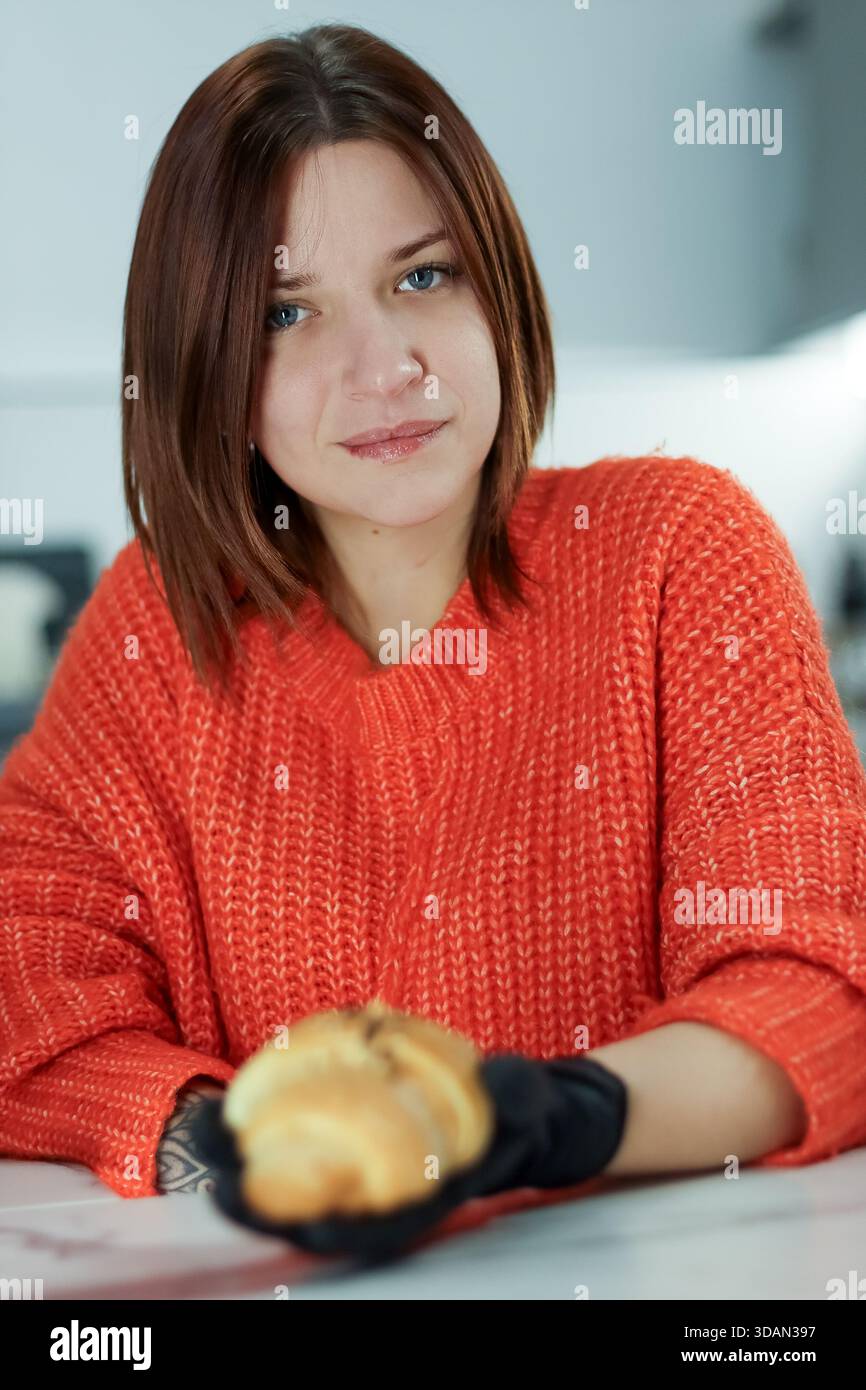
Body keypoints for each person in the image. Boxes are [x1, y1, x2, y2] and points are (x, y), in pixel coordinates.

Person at [2, 24, 866, 1258]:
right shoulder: (158, 625)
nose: (382, 367)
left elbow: (819, 992)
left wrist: (528, 1123)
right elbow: (26, 991)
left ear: (496, 282)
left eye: (422, 277)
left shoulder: (681, 550)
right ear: (206, 367)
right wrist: (241, 1147)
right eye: (284, 313)